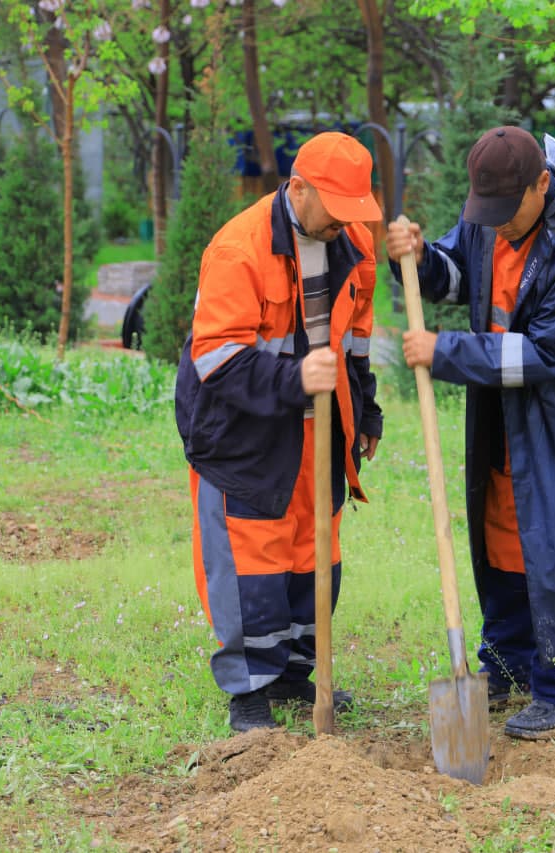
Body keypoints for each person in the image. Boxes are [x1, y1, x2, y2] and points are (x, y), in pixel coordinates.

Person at [386, 126, 555, 739]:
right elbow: (456, 275)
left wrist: (443, 351)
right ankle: (504, 665)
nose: (495, 225)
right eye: (486, 214)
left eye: (507, 213)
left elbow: (549, 352)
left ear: (542, 184)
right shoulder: (492, 213)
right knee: (503, 524)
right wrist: (421, 259)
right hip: (505, 410)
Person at [175, 131, 384, 733]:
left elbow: (357, 340)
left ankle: (295, 673)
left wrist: (364, 411)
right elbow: (214, 358)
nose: (344, 224)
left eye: (354, 212)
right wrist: (296, 379)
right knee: (251, 562)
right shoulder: (237, 249)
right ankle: (249, 692)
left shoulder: (354, 244)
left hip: (321, 432)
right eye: (335, 210)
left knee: (312, 556)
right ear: (298, 189)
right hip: (241, 434)